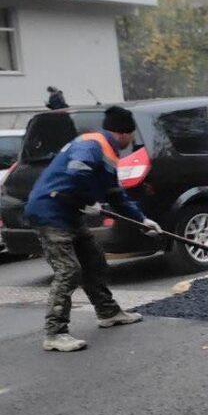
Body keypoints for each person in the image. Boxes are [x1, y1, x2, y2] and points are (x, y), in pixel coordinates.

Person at [25, 106, 163, 352]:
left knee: (94, 260)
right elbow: (78, 171)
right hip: (51, 212)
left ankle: (108, 312)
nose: (131, 140)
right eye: (131, 135)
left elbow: (116, 194)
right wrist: (89, 199)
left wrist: (142, 220)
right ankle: (55, 333)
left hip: (69, 213)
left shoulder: (107, 151)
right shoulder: (91, 144)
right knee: (69, 271)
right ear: (124, 133)